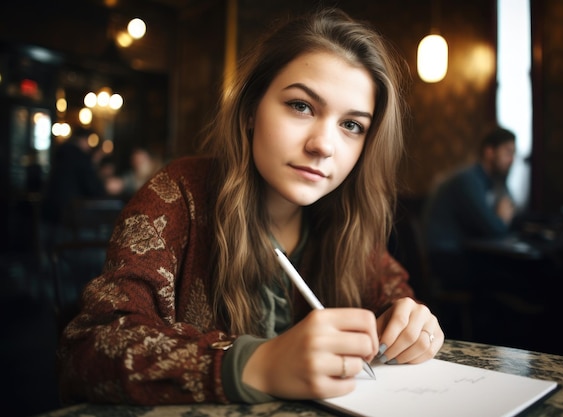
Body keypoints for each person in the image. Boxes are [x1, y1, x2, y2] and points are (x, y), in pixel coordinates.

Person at [57, 8, 444, 406]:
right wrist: (257, 364)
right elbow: (89, 348)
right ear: (249, 111)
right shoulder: (178, 196)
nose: (323, 146)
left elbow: (395, 300)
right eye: (301, 106)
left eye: (352, 126)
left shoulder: (347, 219)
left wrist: (409, 323)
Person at [421, 126, 517, 291]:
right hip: (444, 258)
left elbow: (510, 208)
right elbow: (495, 229)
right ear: (489, 152)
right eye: (508, 152)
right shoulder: (468, 181)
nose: (512, 159)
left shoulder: (492, 181)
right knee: (507, 278)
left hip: (459, 252)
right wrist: (501, 219)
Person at [41, 126, 108, 244]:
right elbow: (94, 189)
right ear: (83, 140)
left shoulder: (61, 154)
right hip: (71, 215)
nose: (89, 147)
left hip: (51, 213)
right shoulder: (79, 157)